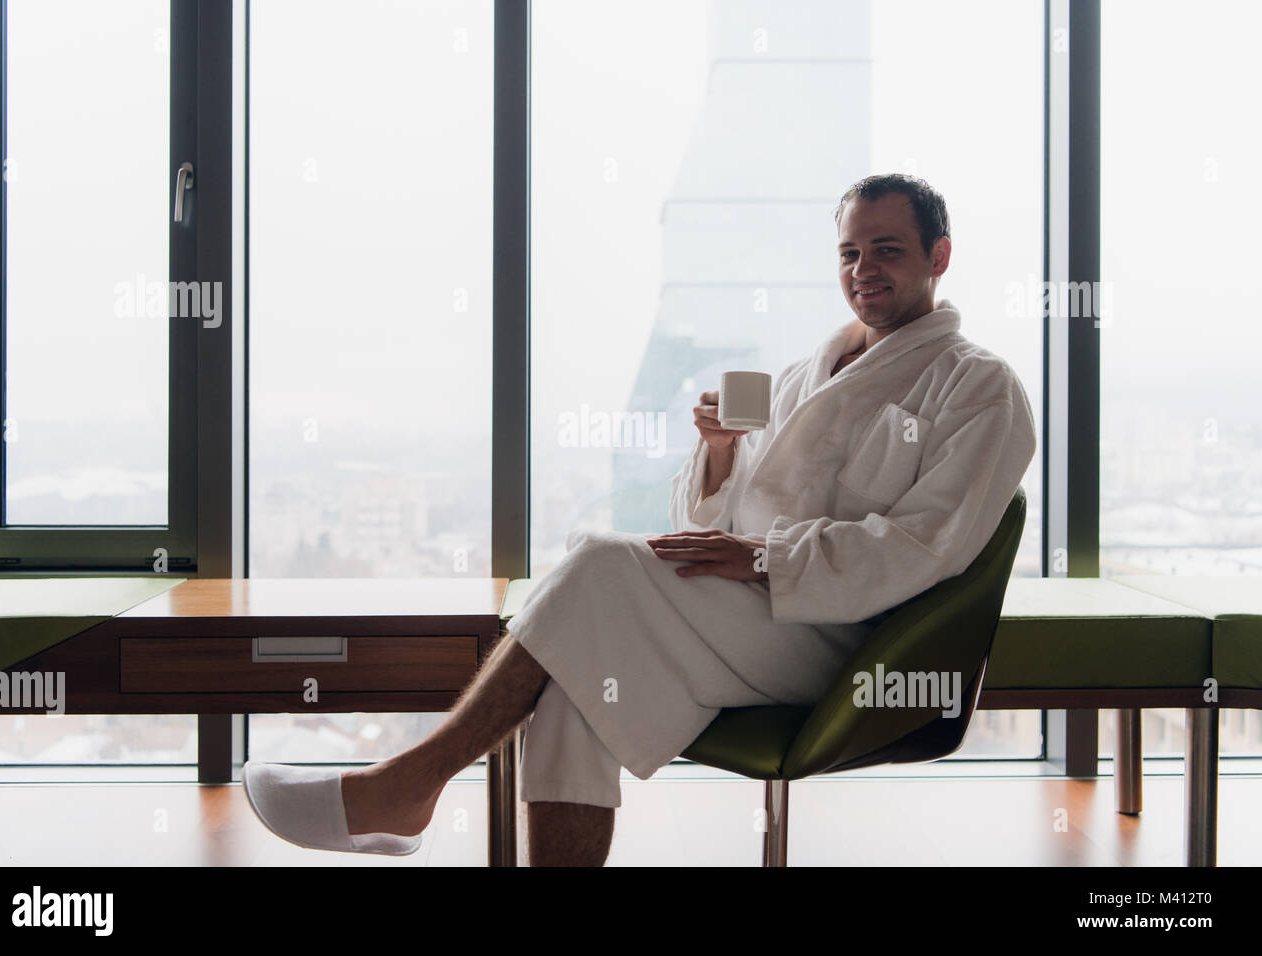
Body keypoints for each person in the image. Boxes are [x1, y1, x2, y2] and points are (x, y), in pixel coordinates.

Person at [241, 173, 1037, 866]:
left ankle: (409, 784)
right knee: (570, 698)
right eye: (850, 254)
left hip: (854, 648)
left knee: (595, 562)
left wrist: (763, 560)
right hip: (750, 625)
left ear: (939, 256)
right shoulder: (803, 376)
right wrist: (722, 454)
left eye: (888, 250)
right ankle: (410, 797)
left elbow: (923, 547)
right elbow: (721, 520)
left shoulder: (978, 388)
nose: (864, 271)